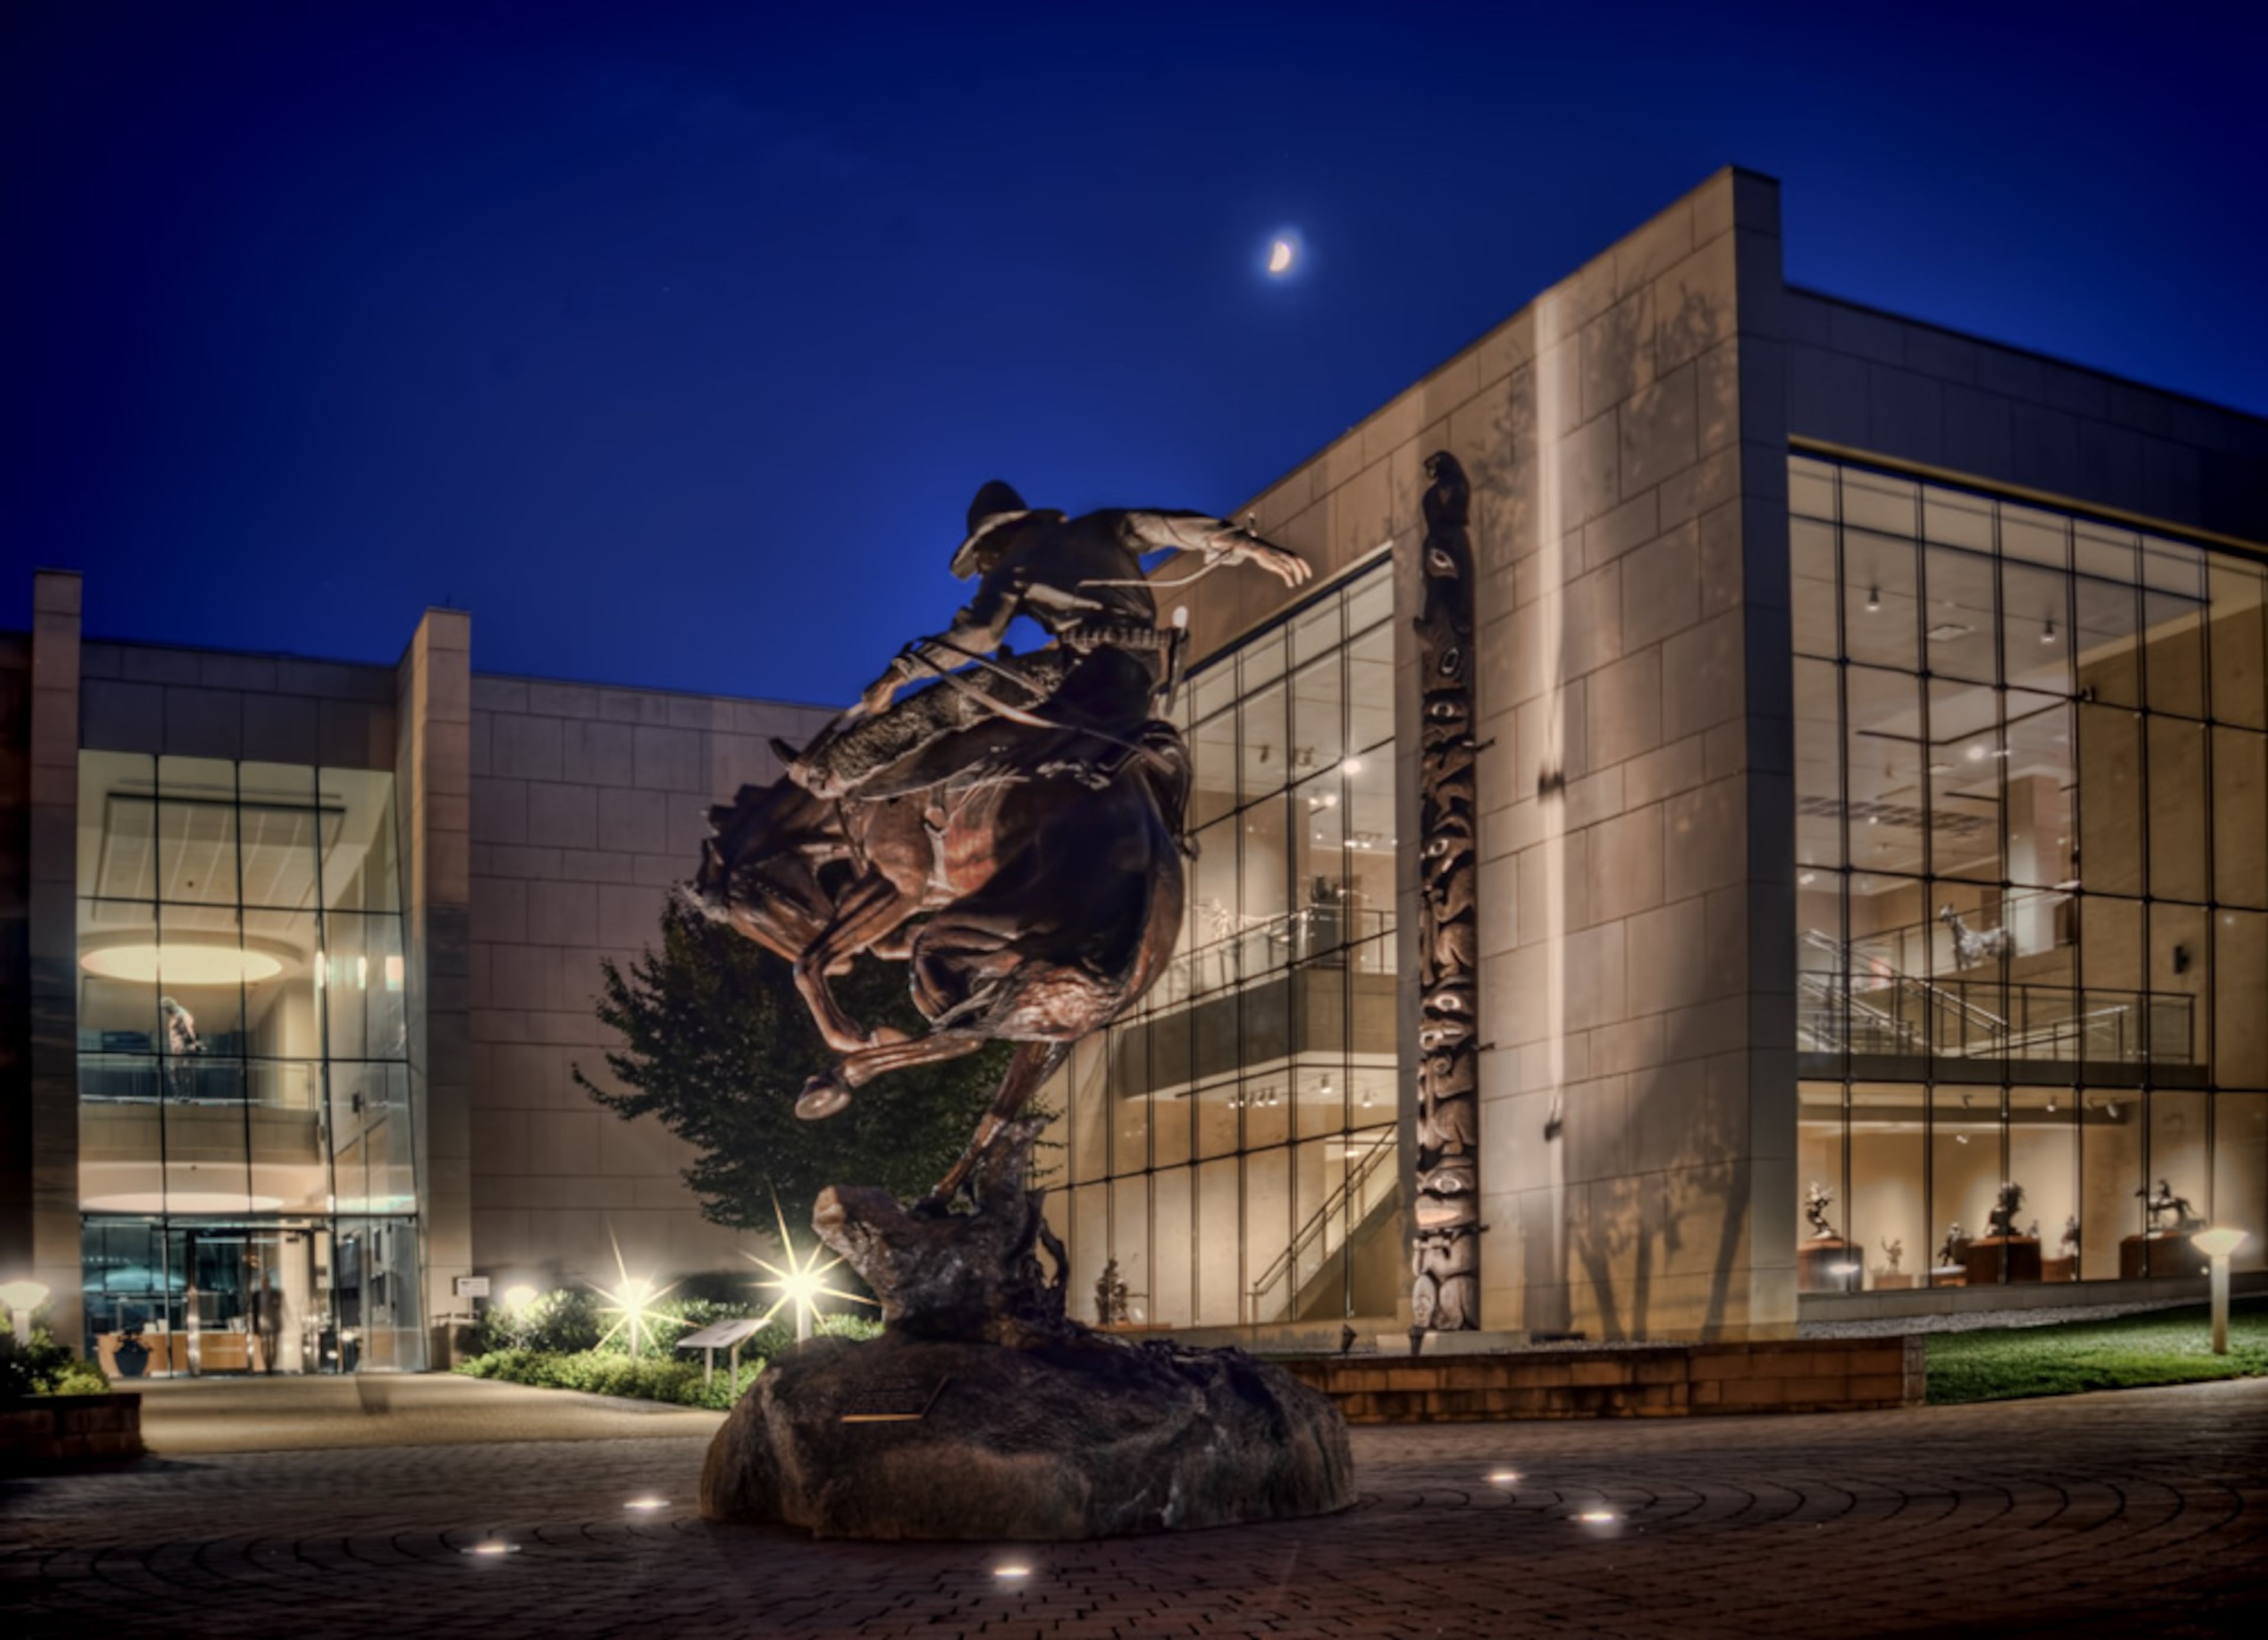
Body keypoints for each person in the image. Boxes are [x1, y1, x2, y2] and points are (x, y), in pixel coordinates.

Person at [784, 480, 1307, 799]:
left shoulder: (1013, 565)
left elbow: (980, 634)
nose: (985, 566)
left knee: (949, 703)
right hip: (1149, 666)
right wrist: (1245, 544)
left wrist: (899, 673)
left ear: (993, 541)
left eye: (982, 556)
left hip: (1087, 666)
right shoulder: (1100, 526)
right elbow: (1173, 528)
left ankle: (836, 769)